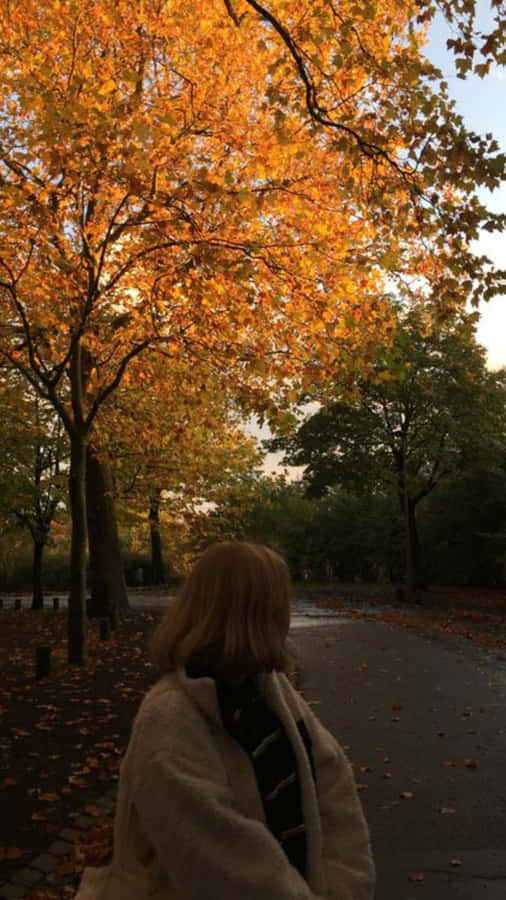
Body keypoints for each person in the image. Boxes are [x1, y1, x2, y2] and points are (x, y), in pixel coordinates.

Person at [84, 541, 375, 900]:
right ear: (254, 611)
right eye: (279, 599)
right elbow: (219, 862)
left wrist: (344, 887)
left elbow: (333, 787)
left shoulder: (269, 689)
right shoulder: (169, 718)